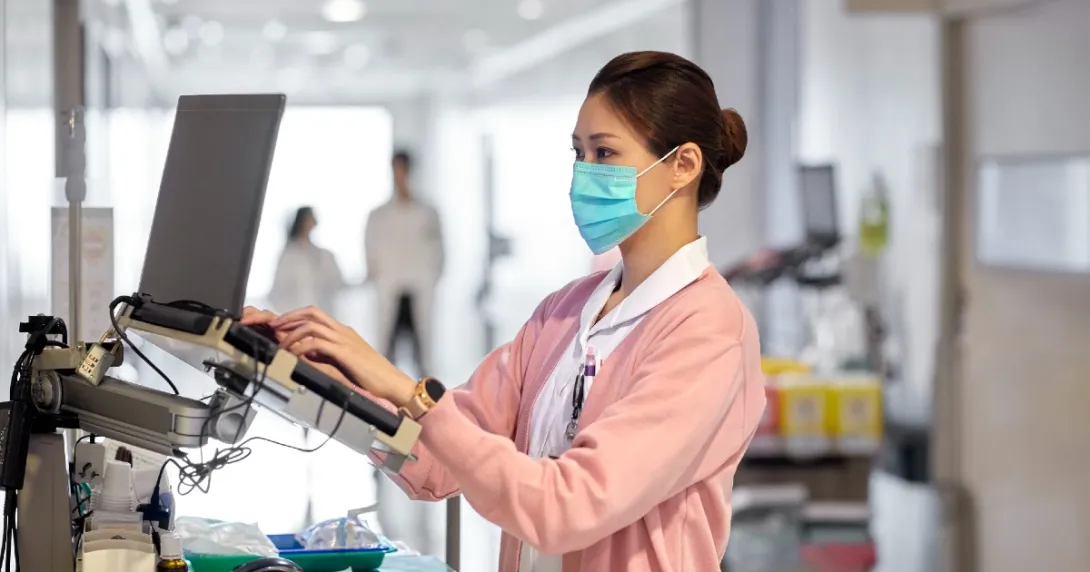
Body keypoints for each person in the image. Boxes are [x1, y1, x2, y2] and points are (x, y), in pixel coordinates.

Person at [245, 51, 765, 572]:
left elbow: (568, 506)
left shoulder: (708, 329)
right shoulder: (564, 313)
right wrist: (304, 370)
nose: (584, 175)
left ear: (683, 165)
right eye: (578, 154)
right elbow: (436, 461)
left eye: (604, 154)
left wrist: (409, 392)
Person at [364, 150, 444, 376]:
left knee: (423, 351)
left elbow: (439, 250)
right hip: (390, 285)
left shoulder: (428, 212)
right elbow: (371, 253)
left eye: (404, 169)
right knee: (387, 350)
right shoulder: (379, 215)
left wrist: (430, 276)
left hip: (420, 285)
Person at [268, 207, 346, 315]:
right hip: (296, 315)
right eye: (308, 219)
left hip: (323, 315)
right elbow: (277, 292)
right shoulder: (289, 255)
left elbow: (338, 283)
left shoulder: (325, 255)